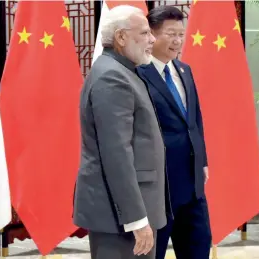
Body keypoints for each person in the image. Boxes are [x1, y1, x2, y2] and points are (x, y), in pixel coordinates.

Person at [73, 5, 167, 259]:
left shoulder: (123, 71)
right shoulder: (112, 78)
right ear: (121, 37)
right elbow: (117, 155)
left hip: (128, 212)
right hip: (120, 217)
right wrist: (136, 220)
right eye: (145, 33)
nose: (152, 39)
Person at [136, 6, 212, 259]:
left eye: (181, 34)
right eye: (171, 34)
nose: (178, 41)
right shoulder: (137, 74)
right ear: (151, 35)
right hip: (160, 187)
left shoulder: (184, 70)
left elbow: (194, 120)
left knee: (197, 247)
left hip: (193, 186)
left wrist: (202, 161)